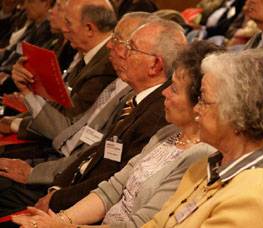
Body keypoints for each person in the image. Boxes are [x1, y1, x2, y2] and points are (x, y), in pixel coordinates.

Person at [12, 40, 223, 228]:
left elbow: (143, 223)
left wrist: (61, 226)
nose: (164, 92)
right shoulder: (167, 132)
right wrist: (60, 220)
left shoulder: (201, 154)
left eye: (174, 89)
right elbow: (111, 189)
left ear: (199, 102)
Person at [0, 17, 186, 216]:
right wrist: (57, 189)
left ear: (155, 65)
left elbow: (113, 179)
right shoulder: (133, 98)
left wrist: (56, 198)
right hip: (68, 181)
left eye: (130, 47)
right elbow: (96, 151)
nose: (119, 51)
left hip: (82, 202)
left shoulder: (159, 114)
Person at [142, 49, 263, 227]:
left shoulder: (251, 198)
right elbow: (157, 222)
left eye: (203, 100)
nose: (196, 109)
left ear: (236, 115)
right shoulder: (207, 165)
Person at [0, 0, 116, 139]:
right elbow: (58, 105)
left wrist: (18, 117)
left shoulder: (106, 65)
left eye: (68, 23)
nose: (64, 29)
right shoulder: (90, 55)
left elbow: (66, 124)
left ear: (89, 29)